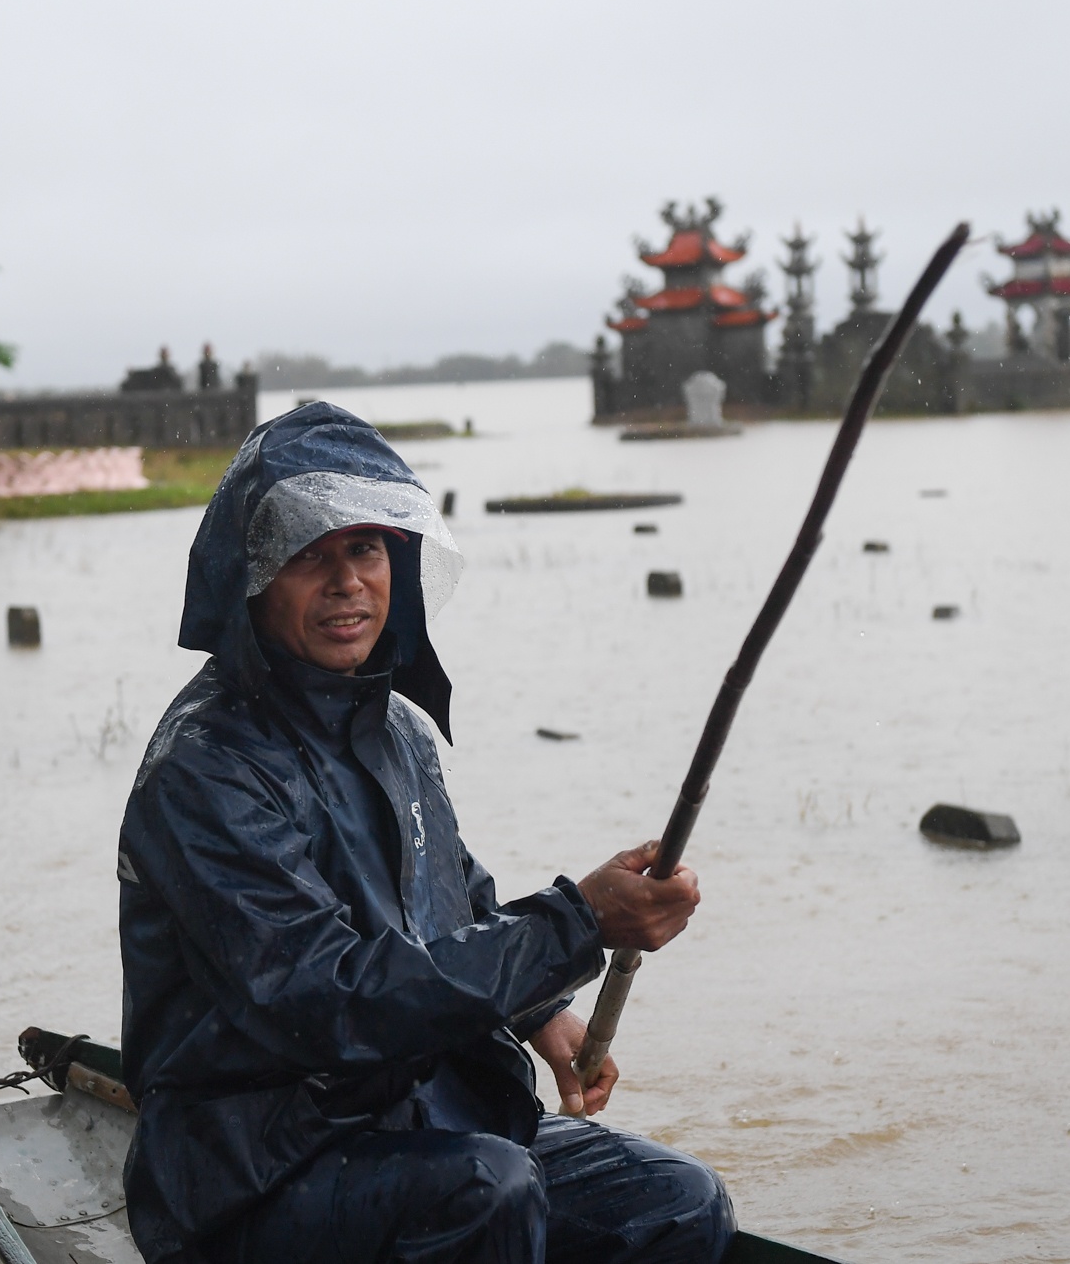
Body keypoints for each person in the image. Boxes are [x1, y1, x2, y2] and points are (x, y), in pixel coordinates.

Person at [117, 403, 735, 1264]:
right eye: (309, 554)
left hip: (419, 1117)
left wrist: (542, 1008)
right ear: (253, 577)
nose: (347, 583)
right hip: (251, 1172)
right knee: (490, 1192)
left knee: (675, 1202)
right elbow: (327, 999)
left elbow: (450, 895)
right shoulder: (204, 769)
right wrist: (577, 923)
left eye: (365, 549)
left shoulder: (396, 728)